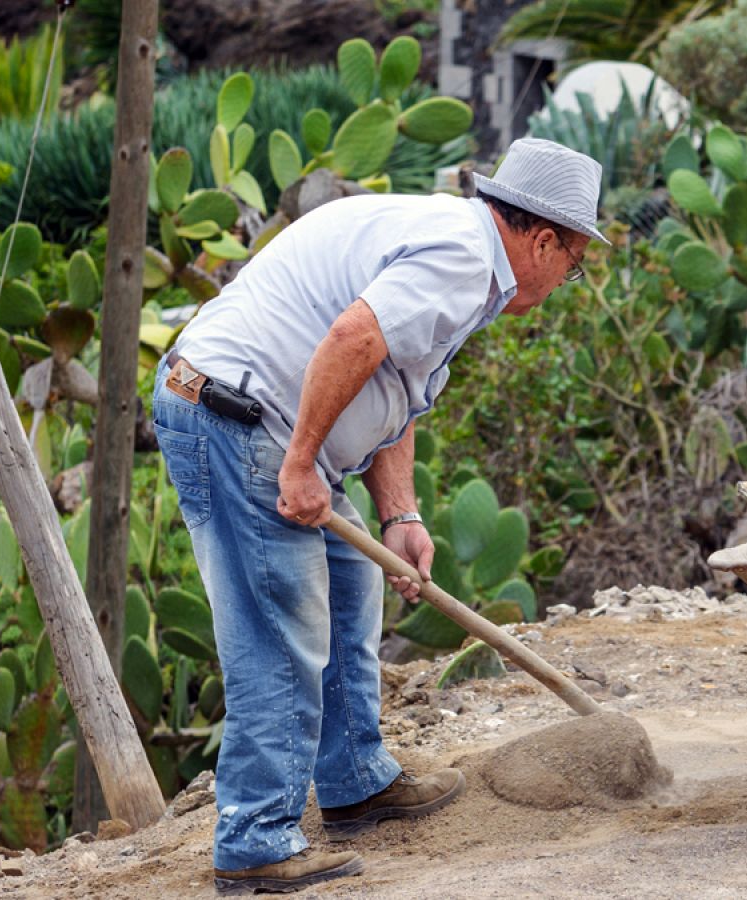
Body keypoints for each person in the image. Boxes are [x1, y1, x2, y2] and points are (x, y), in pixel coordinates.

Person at [150, 138, 607, 894]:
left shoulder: (473, 260)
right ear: (543, 239)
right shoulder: (463, 257)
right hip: (236, 421)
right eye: (576, 261)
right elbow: (351, 339)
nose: (571, 277)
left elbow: (391, 374)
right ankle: (257, 839)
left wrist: (401, 512)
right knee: (279, 626)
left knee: (352, 581)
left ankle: (355, 778)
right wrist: (297, 466)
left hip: (273, 425)